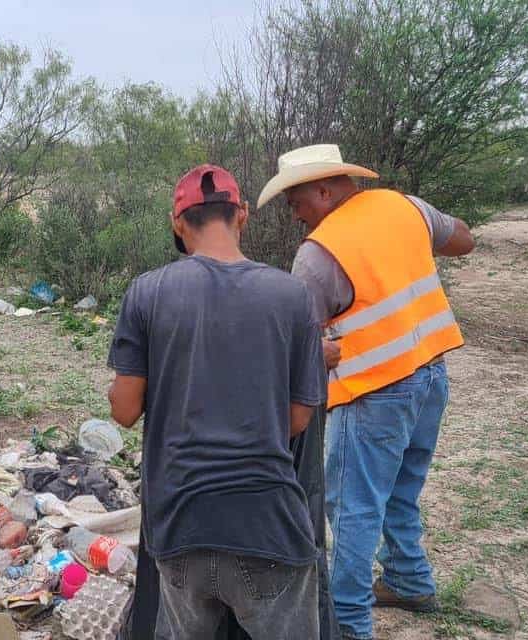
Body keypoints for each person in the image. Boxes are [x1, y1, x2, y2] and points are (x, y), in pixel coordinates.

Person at [257, 144, 474, 640]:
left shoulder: (319, 253)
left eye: (296, 201)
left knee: (353, 507)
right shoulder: (404, 206)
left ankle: (351, 624)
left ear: (325, 189)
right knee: (401, 486)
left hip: (376, 391)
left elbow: (299, 343)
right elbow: (463, 238)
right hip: (431, 376)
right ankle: (409, 579)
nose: (295, 215)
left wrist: (321, 353)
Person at [107, 164, 328, 639]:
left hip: (180, 527)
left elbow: (124, 411)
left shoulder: (147, 292)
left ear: (177, 221)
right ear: (242, 215)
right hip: (268, 528)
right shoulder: (293, 297)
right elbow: (296, 419)